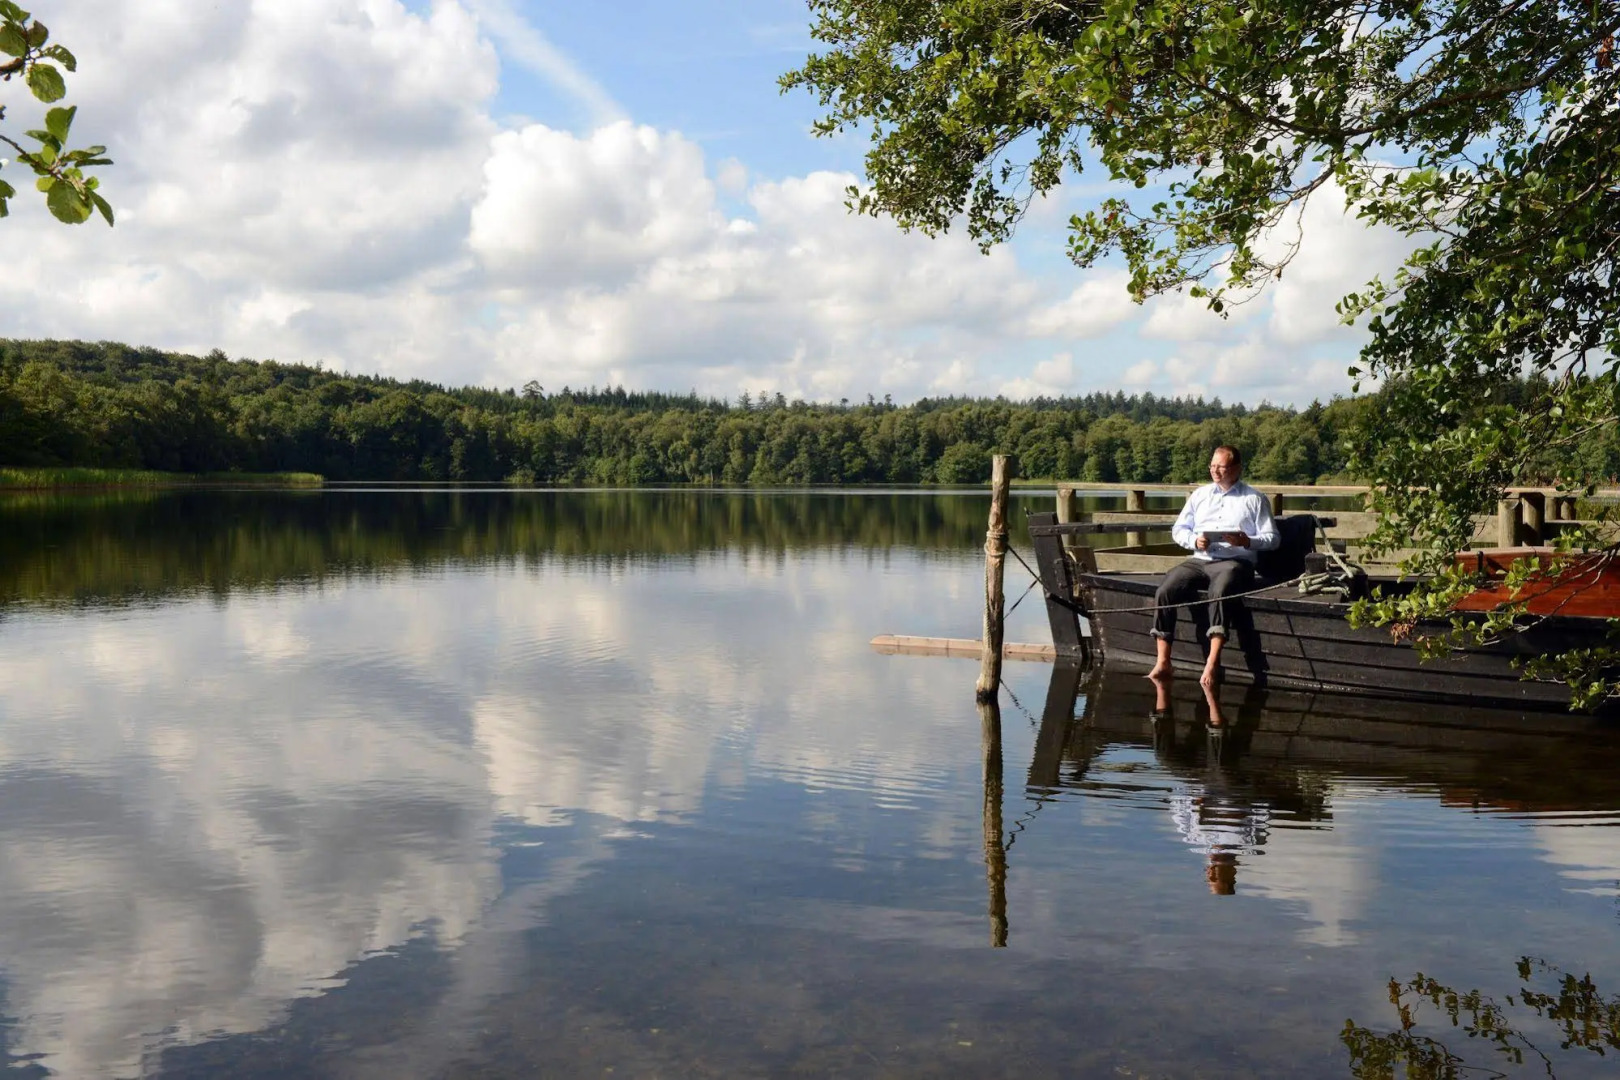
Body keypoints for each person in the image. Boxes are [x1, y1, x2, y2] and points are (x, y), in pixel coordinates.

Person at [1145, 446, 1278, 687]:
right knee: (1166, 589)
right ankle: (1163, 661)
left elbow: (1273, 538)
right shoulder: (1200, 495)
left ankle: (1212, 662)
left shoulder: (1254, 498)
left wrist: (1247, 541)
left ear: (1236, 469)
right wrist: (1194, 541)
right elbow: (1179, 530)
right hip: (1201, 559)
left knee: (1220, 589)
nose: (1215, 471)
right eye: (1212, 466)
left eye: (1221, 467)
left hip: (1235, 561)